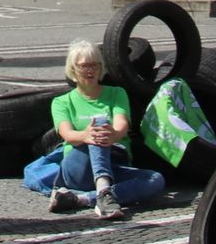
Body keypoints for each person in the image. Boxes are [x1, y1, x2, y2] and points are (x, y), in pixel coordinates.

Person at [45, 40, 165, 219]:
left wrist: (114, 135)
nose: (90, 70)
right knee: (98, 125)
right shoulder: (62, 102)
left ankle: (82, 199)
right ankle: (102, 190)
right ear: (73, 69)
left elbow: (121, 124)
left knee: (156, 180)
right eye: (84, 65)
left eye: (95, 65)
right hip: (79, 167)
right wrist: (86, 135)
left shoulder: (116, 94)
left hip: (115, 163)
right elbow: (67, 134)